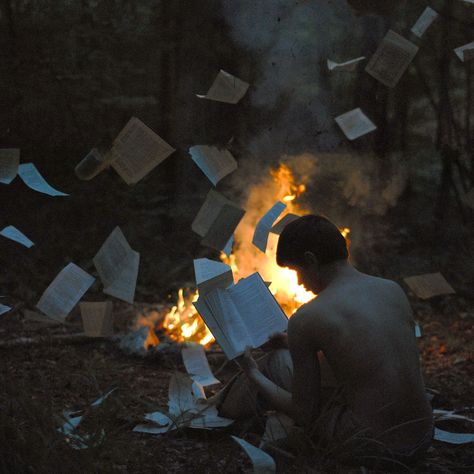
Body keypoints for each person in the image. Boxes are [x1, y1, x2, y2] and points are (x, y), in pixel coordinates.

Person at [216, 215, 433, 465]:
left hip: (372, 448)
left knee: (273, 366)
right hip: (422, 438)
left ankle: (218, 414)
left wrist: (252, 372)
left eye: (297, 271)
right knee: (288, 358)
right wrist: (290, 342)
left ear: (311, 260)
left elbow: (303, 412)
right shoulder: (391, 289)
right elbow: (362, 352)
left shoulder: (308, 316)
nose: (299, 282)